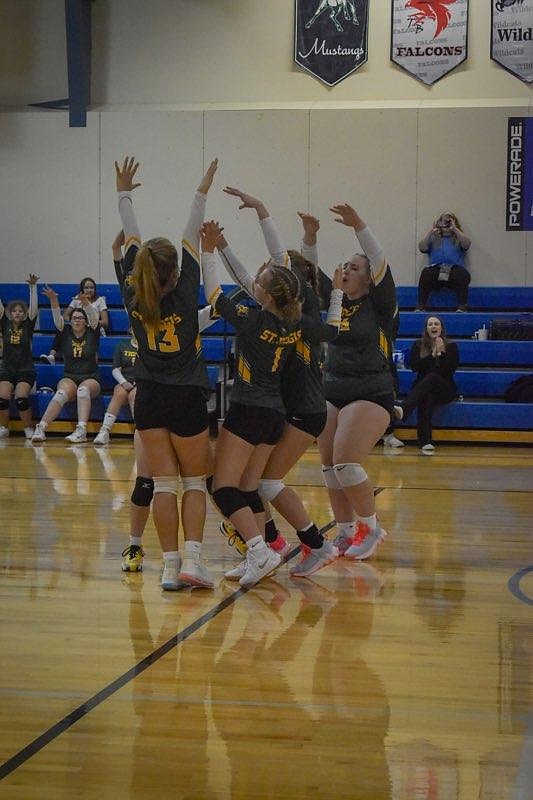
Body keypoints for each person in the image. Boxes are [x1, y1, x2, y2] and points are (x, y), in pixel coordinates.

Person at [200, 208, 343, 588]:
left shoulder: (257, 318)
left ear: (269, 291)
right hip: (278, 411)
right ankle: (263, 551)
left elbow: (216, 294)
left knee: (228, 488)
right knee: (252, 487)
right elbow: (331, 329)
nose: (256, 278)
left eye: (262, 278)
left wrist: (207, 251)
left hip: (270, 409)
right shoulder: (296, 319)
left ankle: (269, 551)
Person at [115, 155, 217, 591]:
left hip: (150, 397)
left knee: (161, 484)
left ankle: (169, 567)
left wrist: (123, 192)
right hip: (187, 396)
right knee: (194, 481)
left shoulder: (130, 292)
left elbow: (133, 237)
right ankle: (194, 560)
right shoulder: (186, 288)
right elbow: (192, 228)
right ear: (176, 271)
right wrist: (202, 188)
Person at [300, 205, 397, 561]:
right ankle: (342, 530)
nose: (346, 270)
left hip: (371, 391)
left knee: (346, 462)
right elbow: (310, 273)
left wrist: (359, 224)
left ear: (370, 280)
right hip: (332, 388)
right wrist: (311, 236)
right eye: (346, 265)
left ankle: (370, 528)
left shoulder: (381, 305)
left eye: (355, 268)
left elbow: (379, 259)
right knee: (328, 465)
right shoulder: (334, 298)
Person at [31, 285, 101, 443]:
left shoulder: (93, 332)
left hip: (90, 377)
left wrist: (86, 303)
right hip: (70, 376)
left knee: (83, 390)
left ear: (86, 321)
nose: (77, 320)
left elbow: (95, 317)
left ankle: (81, 430)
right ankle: (41, 428)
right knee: (61, 393)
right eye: (74, 318)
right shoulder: (65, 332)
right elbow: (57, 319)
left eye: (80, 318)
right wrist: (54, 300)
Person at [394, 315, 459, 455]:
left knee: (434, 377)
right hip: (424, 388)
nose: (433, 326)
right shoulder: (418, 345)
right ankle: (425, 441)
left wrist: (441, 355)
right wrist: (432, 355)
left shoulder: (451, 346)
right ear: (426, 329)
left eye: (436, 324)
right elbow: (414, 367)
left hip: (445, 388)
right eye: (430, 324)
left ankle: (405, 408)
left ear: (441, 328)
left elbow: (449, 371)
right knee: (426, 396)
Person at [0, 274, 39, 439]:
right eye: (14, 311)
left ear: (24, 314)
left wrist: (33, 288)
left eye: (20, 311)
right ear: (10, 313)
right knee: (2, 398)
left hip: (25, 369)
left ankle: (28, 427)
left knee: (21, 398)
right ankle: (3, 427)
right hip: (7, 368)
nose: (17, 313)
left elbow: (34, 308)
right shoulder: (4, 323)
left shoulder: (28, 325)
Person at [417, 212, 471, 312]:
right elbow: (422, 247)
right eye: (444, 221)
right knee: (426, 273)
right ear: (439, 223)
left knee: (463, 274)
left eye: (449, 221)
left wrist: (454, 229)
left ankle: (462, 306)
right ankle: (421, 306)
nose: (446, 223)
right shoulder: (433, 237)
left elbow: (467, 245)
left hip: (454, 272)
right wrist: (431, 231)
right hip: (436, 271)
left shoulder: (458, 238)